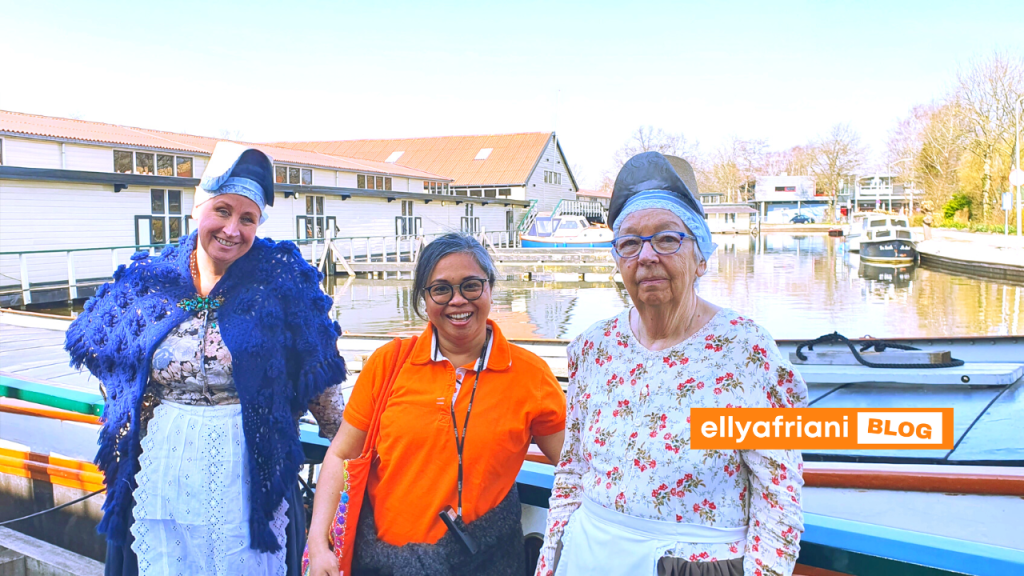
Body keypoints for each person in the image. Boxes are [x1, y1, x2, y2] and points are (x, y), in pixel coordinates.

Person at [66, 142, 348, 576]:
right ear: (198, 209)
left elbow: (325, 394)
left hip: (251, 473)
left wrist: (358, 452)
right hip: (167, 465)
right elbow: (99, 344)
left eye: (247, 218)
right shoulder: (153, 279)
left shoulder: (282, 284)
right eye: (222, 211)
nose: (232, 229)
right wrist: (137, 408)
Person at [535, 152, 808, 576]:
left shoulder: (747, 351)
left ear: (701, 257)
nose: (646, 256)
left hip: (693, 565)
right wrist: (548, 564)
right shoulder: (593, 348)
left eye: (667, 239)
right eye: (630, 242)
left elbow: (779, 499)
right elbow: (572, 472)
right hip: (588, 555)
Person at [307, 233, 566, 576]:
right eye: (441, 289)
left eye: (471, 285)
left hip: (487, 562)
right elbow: (341, 455)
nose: (458, 300)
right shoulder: (389, 363)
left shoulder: (530, 374)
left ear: (490, 288)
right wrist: (318, 544)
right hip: (385, 560)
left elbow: (574, 465)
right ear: (423, 299)